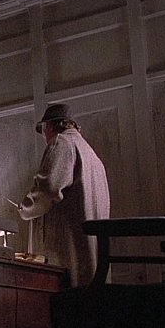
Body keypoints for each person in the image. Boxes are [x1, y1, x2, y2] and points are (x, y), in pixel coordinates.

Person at [16, 103, 110, 289]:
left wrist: (26, 207)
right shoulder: (93, 157)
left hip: (68, 253)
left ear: (49, 126)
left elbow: (49, 188)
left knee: (65, 299)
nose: (44, 137)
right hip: (93, 257)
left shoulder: (62, 143)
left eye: (44, 130)